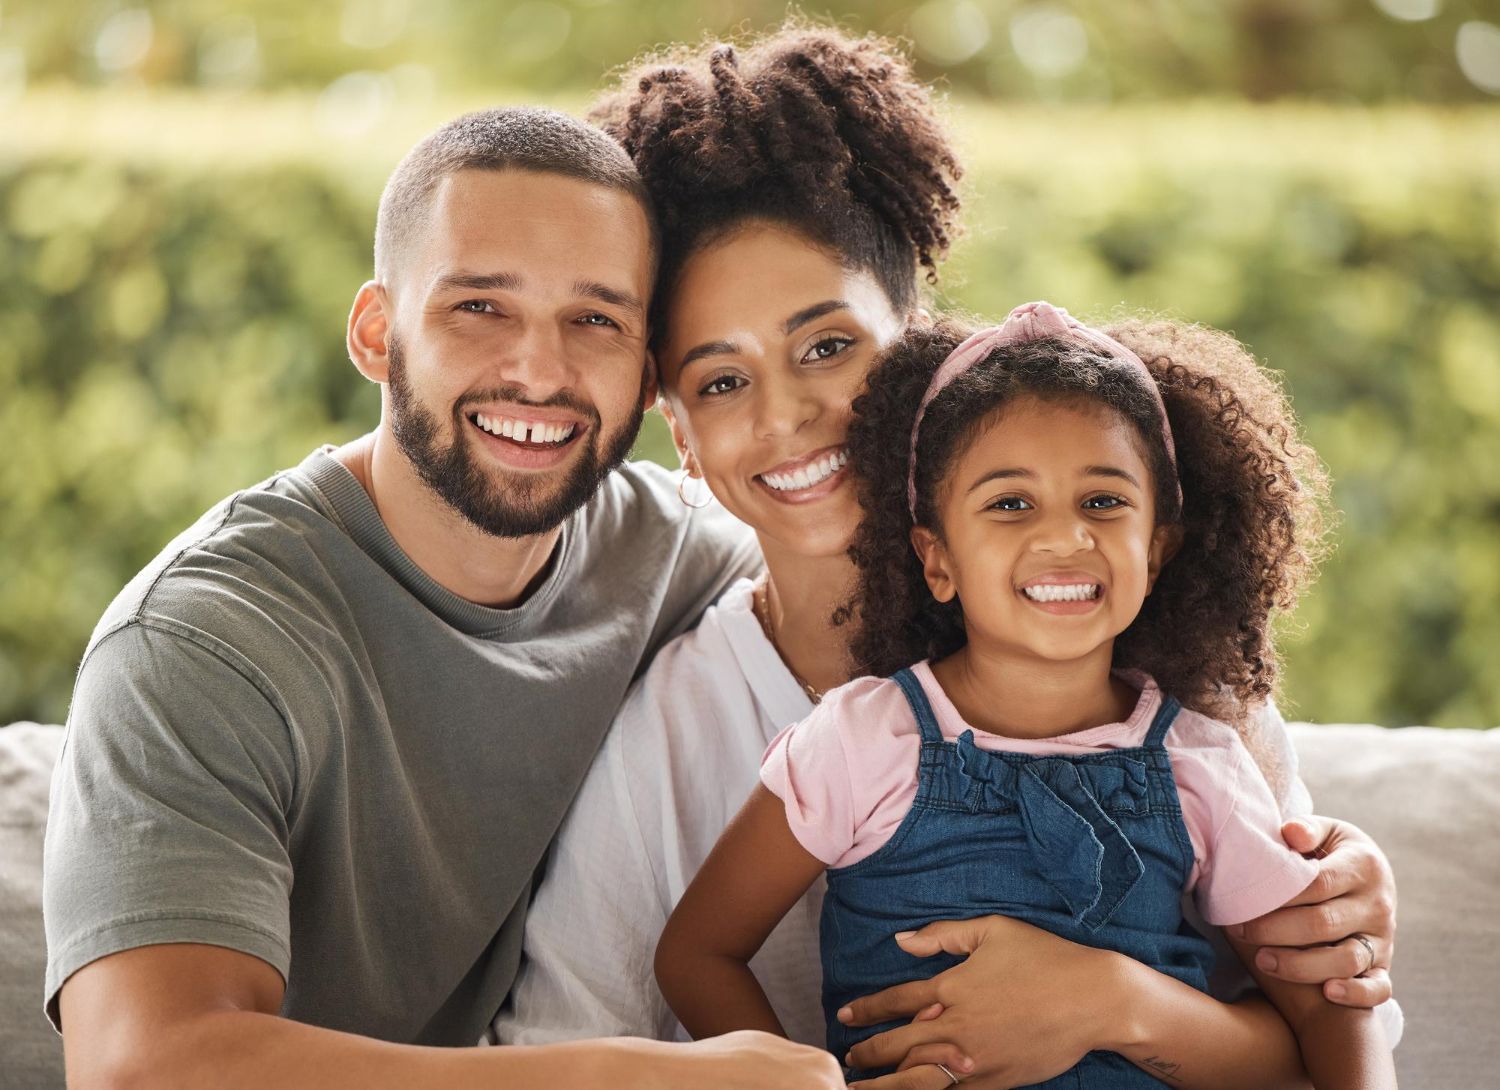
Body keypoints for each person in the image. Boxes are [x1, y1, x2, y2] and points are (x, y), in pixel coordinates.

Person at [497, 24, 1399, 1088]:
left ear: (920, 342)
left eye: (829, 346)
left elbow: (1328, 1041)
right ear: (677, 428)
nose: (789, 414)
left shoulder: (1155, 667)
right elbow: (563, 1045)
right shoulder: (676, 729)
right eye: (722, 381)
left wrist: (1112, 998)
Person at [42, 106, 846, 1089]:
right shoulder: (205, 641)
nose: (540, 370)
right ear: (377, 334)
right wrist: (641, 1079)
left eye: (594, 320)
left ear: (646, 379)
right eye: (479, 308)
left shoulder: (674, 556)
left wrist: (1089, 983)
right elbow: (142, 1067)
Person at [654, 302, 1400, 1090]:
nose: (1064, 537)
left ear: (1158, 547)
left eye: (1103, 502)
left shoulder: (1203, 762)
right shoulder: (864, 738)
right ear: (935, 560)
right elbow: (697, 954)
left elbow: (1325, 1007)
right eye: (1010, 504)